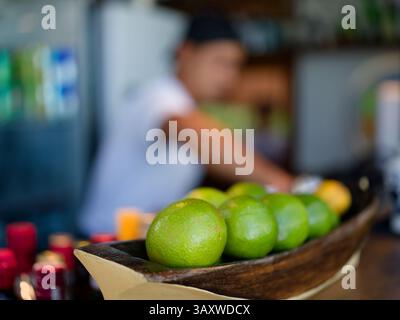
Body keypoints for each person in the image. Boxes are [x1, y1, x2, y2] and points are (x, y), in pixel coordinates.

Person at [80, 14, 294, 235]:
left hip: (143, 240)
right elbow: (191, 130)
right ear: (186, 52)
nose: (229, 76)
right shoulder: (158, 96)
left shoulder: (187, 104)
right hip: (105, 241)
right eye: (220, 62)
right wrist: (280, 182)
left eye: (235, 65)